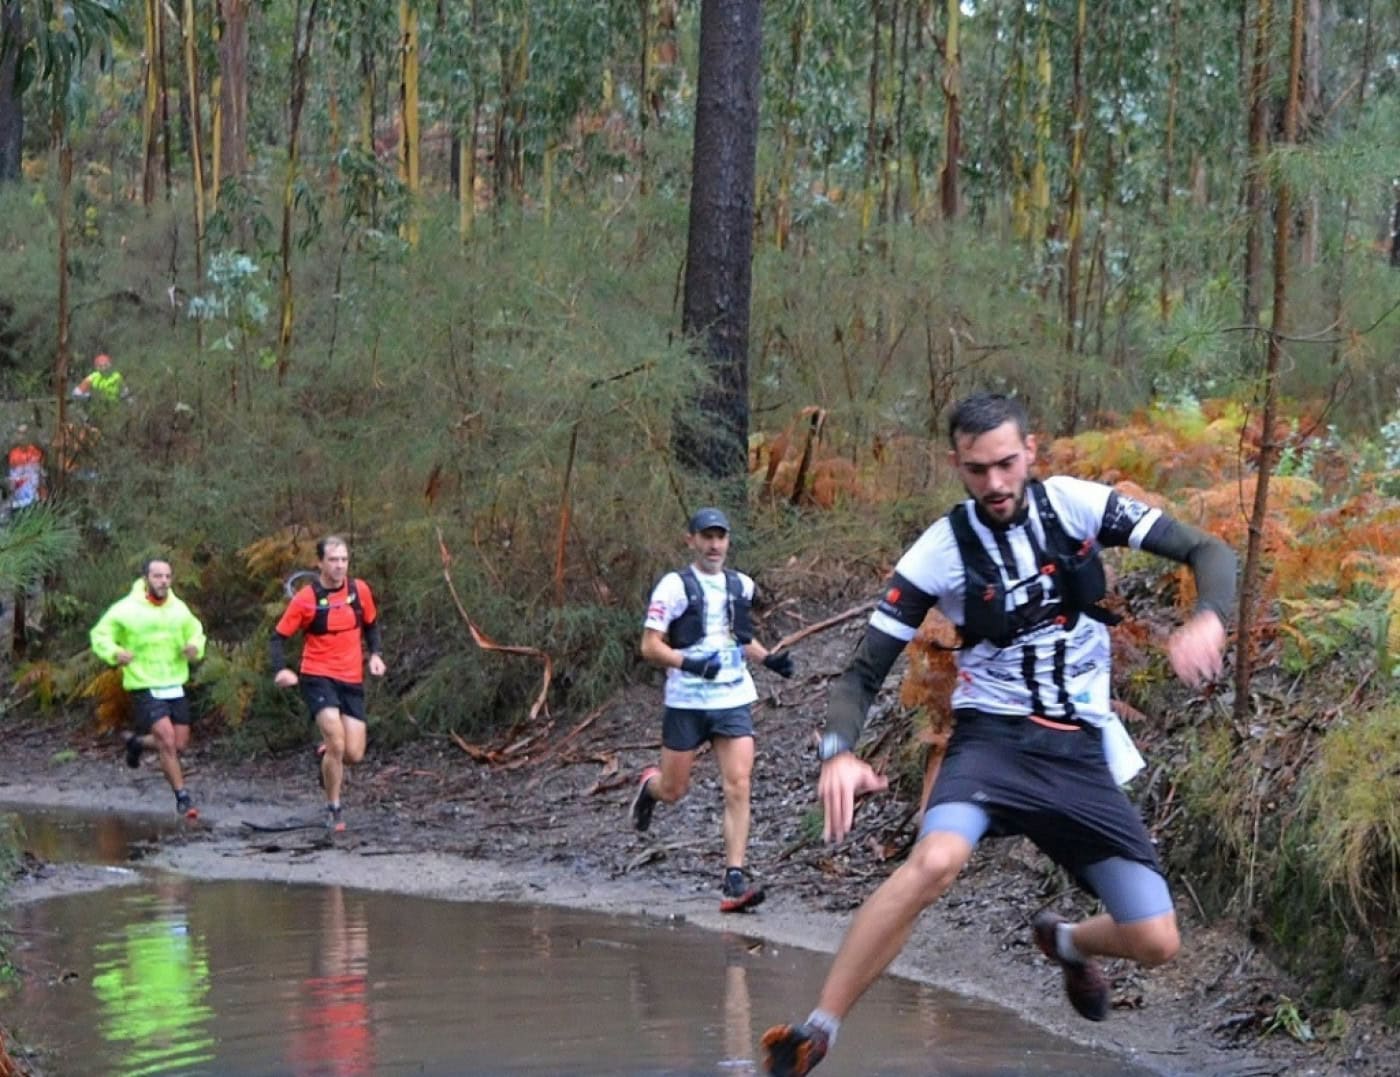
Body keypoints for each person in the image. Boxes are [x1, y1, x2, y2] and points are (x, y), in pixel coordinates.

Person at [760, 392, 1236, 1076]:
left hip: (1077, 750)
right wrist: (838, 753)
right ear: (958, 464)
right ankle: (819, 1029)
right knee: (935, 861)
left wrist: (1210, 617)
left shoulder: (1075, 505)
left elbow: (1205, 548)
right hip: (993, 744)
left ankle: (1068, 941)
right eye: (978, 469)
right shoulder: (940, 551)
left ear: (1031, 452)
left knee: (1158, 938)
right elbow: (860, 674)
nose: (996, 483)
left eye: (1007, 464)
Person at [630, 507, 796, 913]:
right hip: (687, 702)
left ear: (728, 542)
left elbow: (739, 638)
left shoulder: (741, 585)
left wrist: (768, 659)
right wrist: (688, 663)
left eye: (720, 537)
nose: (714, 545)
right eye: (706, 537)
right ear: (691, 540)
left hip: (732, 698)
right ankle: (650, 787)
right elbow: (650, 646)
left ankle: (734, 878)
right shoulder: (673, 587)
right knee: (675, 790)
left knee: (738, 784)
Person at [270, 535, 385, 833]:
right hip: (317, 676)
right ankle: (334, 808)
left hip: (351, 678)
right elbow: (278, 638)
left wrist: (375, 655)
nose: (339, 566)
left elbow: (371, 625)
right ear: (319, 563)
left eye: (344, 559)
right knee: (336, 739)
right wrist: (281, 669)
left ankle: (326, 757)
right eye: (333, 560)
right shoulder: (306, 599)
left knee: (353, 754)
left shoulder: (360, 591)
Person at [90, 557, 207, 819]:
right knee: (166, 740)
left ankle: (137, 743)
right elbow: (100, 635)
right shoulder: (126, 609)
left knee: (179, 744)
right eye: (157, 576)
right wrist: (114, 652)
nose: (163, 581)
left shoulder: (178, 608)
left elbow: (196, 632)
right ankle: (183, 798)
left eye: (167, 576)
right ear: (146, 579)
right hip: (144, 682)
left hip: (174, 681)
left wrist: (194, 647)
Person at [6, 424, 45, 510]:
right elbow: (12, 475)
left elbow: (39, 473)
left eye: (25, 433)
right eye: (20, 433)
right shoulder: (13, 453)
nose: (23, 436)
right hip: (19, 488)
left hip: (33, 488)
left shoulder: (36, 452)